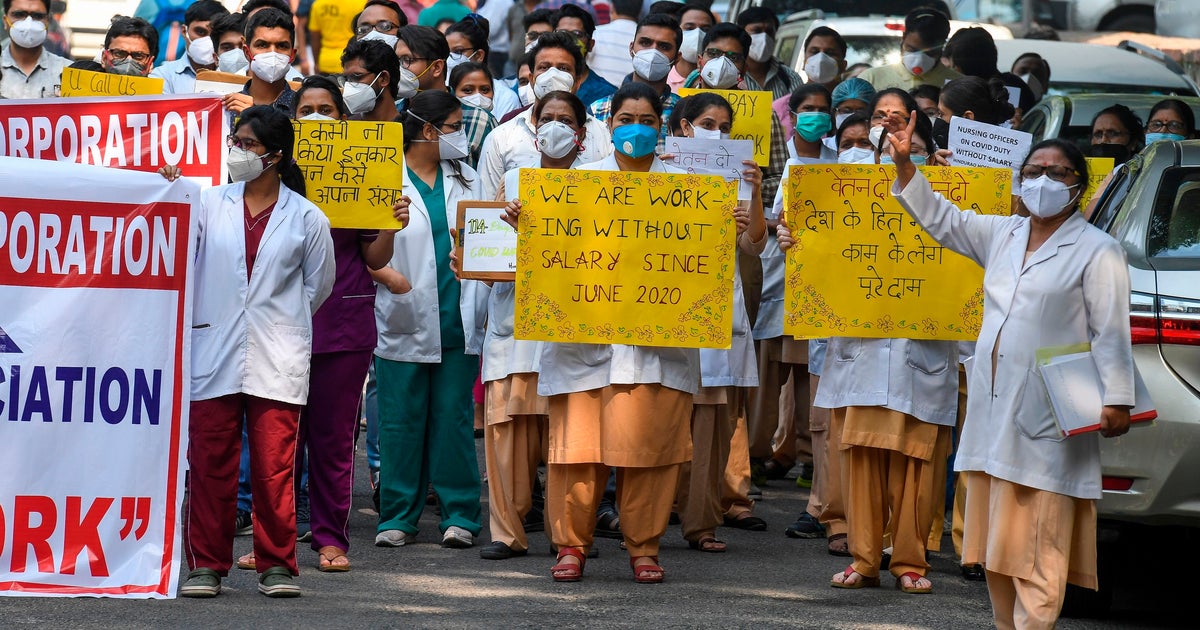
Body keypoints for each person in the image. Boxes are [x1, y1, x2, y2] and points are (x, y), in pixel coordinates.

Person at [883, 110, 1134, 629]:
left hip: (1054, 413)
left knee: (1040, 548)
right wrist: (906, 165)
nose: (1044, 181)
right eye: (1034, 171)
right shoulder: (1004, 233)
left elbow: (1110, 330)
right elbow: (942, 219)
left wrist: (1117, 398)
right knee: (995, 546)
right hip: (994, 410)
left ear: (1078, 186)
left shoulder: (1098, 250)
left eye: (1058, 172)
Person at [502, 82, 696, 585]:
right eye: (626, 119)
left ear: (661, 127)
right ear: (609, 127)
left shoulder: (689, 192)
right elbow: (550, 260)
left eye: (648, 120)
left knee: (649, 454)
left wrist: (731, 226)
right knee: (576, 454)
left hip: (657, 349)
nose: (637, 128)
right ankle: (571, 546)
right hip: (582, 349)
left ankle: (644, 549)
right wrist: (529, 226)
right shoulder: (576, 186)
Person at [786, 101, 958, 595]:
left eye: (916, 148)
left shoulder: (952, 207)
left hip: (922, 359)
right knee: (860, 464)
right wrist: (795, 242)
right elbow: (818, 264)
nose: (904, 153)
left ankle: (909, 560)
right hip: (860, 357)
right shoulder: (846, 203)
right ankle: (864, 559)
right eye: (895, 147)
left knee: (916, 467)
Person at [173, 105, 336, 599]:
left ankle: (277, 565)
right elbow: (181, 253)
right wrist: (169, 184)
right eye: (235, 142)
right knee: (210, 463)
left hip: (277, 353)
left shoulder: (306, 216)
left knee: (274, 468)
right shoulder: (206, 202)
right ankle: (206, 565)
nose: (237, 152)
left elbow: (318, 287)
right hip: (214, 346)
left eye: (248, 144)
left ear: (276, 155)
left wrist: (276, 319)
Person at [373, 89, 488, 551]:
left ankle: (460, 515)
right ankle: (398, 516)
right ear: (427, 130)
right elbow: (360, 247)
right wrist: (386, 273)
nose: (462, 135)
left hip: (457, 316)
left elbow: (488, 238)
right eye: (455, 126)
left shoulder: (468, 177)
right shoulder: (386, 177)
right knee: (400, 422)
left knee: (453, 421)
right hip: (404, 314)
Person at [479, 90, 590, 561]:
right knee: (506, 435)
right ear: (534, 127)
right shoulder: (512, 183)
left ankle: (568, 536)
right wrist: (497, 234)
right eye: (547, 118)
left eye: (565, 119)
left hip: (571, 329)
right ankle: (507, 532)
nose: (555, 126)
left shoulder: (598, 187)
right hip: (514, 329)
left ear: (581, 134)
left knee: (569, 439)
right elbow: (484, 260)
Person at [670, 92, 767, 555]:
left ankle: (702, 522)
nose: (718, 133)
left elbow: (753, 246)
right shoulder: (661, 171)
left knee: (710, 433)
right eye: (708, 124)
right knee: (661, 426)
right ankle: (649, 517)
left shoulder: (738, 177)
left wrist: (756, 196)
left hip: (718, 314)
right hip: (666, 311)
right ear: (684, 127)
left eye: (725, 127)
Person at [477, 31, 613, 199]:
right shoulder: (501, 138)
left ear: (577, 82)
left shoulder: (603, 136)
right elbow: (486, 203)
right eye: (544, 67)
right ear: (532, 79)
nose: (552, 75)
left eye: (563, 68)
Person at [395, 24, 498, 170]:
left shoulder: (480, 120)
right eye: (396, 61)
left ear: (437, 67)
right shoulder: (394, 114)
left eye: (407, 60)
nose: (399, 68)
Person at [589, 12, 682, 151]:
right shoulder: (598, 110)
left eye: (664, 47)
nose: (653, 52)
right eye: (645, 43)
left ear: (677, 57)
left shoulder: (683, 111)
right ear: (631, 48)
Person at [856, 8, 960, 91]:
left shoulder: (958, 85)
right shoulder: (870, 79)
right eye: (912, 50)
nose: (919, 59)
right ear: (903, 37)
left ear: (942, 47)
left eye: (929, 53)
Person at [224, 8, 298, 116]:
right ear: (246, 52)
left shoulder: (303, 108)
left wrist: (253, 115)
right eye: (262, 45)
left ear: (292, 55)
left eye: (282, 46)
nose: (272, 53)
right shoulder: (227, 108)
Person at [776, 25, 845, 139]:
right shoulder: (779, 109)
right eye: (814, 52)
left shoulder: (851, 107)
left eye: (830, 53)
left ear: (843, 65)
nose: (821, 59)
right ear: (804, 62)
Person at [446, 15, 521, 119]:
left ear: (479, 55)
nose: (450, 57)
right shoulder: (442, 90)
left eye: (458, 51)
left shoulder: (505, 97)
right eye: (446, 52)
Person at [150, 0, 228, 93]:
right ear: (184, 31)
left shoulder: (235, 77)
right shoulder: (162, 76)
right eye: (200, 32)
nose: (208, 40)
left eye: (214, 34)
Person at [1, 0, 71, 98]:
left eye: (37, 16)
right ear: (5, 21)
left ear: (48, 21)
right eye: (19, 15)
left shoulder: (69, 73)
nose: (29, 23)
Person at [553, 3, 616, 106]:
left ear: (590, 44)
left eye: (577, 34)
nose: (568, 40)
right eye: (562, 33)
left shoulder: (606, 94)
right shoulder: (540, 81)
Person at [735, 7, 802, 102]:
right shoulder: (730, 76)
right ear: (742, 35)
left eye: (769, 31)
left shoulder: (790, 78)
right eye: (757, 31)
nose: (764, 38)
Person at [588, 0, 638, 87]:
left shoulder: (596, 33)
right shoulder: (644, 39)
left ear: (612, 8)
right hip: (632, 93)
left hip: (597, 92)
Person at [666, 2, 713, 93]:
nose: (697, 34)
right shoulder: (663, 78)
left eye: (705, 29)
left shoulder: (718, 82)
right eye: (689, 28)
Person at [307, 0, 362, 76]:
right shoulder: (360, 3)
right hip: (351, 60)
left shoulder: (318, 4)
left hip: (325, 62)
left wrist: (316, 63)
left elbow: (315, 37)